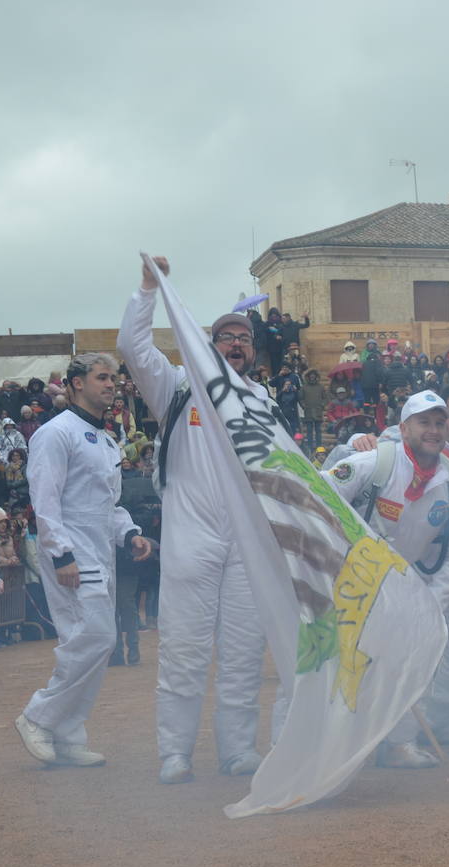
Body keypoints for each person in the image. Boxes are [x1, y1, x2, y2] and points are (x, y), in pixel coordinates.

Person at [118, 255, 272, 784]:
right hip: (192, 538)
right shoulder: (180, 388)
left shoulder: (264, 403)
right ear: (209, 344)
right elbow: (134, 351)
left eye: (245, 339)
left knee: (244, 656)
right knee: (183, 653)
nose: (236, 344)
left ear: (254, 351)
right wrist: (146, 290)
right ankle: (175, 752)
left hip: (248, 545)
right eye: (226, 336)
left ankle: (237, 751)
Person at [324, 390, 449, 768]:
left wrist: (431, 604)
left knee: (411, 663)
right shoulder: (373, 464)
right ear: (403, 427)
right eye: (424, 422)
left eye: (440, 423)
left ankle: (399, 743)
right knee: (334, 665)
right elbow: (320, 496)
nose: (434, 430)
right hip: (353, 583)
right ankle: (313, 747)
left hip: (410, 585)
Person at [14, 353, 152, 767]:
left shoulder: (106, 439)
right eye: (102, 377)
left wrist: (129, 533)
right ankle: (38, 716)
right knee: (97, 639)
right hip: (71, 556)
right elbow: (45, 500)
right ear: (76, 383)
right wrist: (61, 555)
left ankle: (69, 734)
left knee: (87, 641)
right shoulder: (55, 434)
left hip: (101, 555)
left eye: (114, 378)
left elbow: (109, 505)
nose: (111, 385)